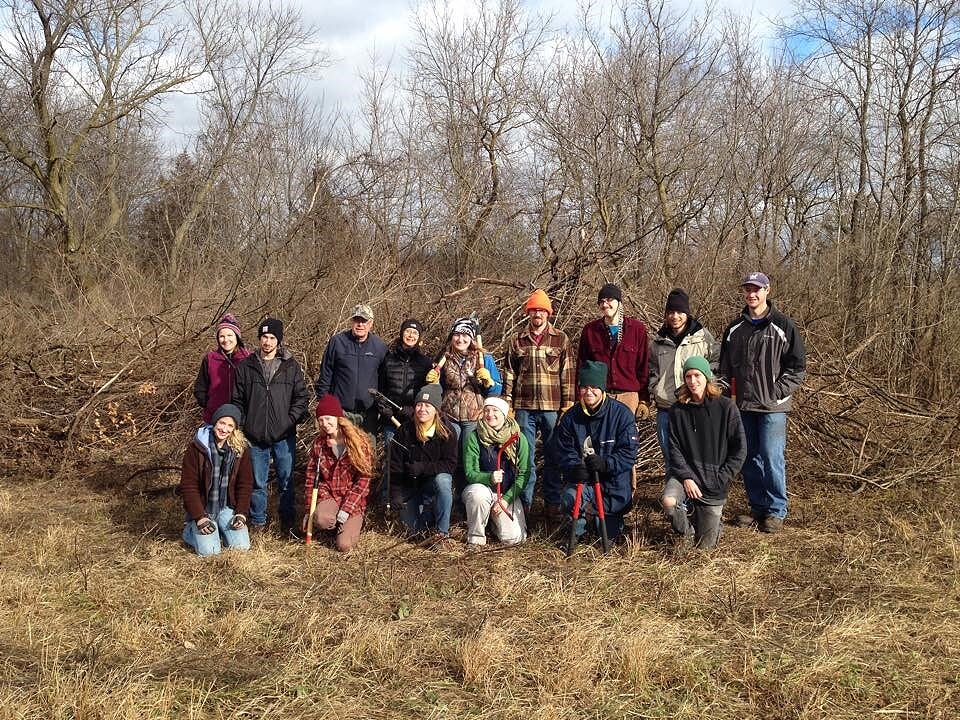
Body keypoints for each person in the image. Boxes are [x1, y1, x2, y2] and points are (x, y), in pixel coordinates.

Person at [719, 272, 806, 533]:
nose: (751, 294)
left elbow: (798, 368)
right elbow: (724, 371)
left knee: (771, 457)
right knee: (748, 458)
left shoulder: (783, 325)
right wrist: (726, 398)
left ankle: (777, 510)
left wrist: (776, 393)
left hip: (772, 408)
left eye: (756, 289)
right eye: (747, 290)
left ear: (767, 290)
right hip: (742, 407)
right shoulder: (735, 329)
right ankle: (757, 508)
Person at [231, 318, 311, 535]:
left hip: (284, 435)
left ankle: (288, 523)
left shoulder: (290, 365)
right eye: (264, 337)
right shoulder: (246, 366)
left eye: (272, 337)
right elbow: (237, 399)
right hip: (255, 436)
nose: (267, 341)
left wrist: (288, 421)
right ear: (259, 338)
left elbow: (301, 398)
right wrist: (246, 424)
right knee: (258, 482)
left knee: (286, 480)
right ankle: (258, 523)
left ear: (279, 340)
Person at [662, 356, 746, 549]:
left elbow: (740, 450)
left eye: (697, 375)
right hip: (686, 477)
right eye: (688, 376)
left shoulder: (726, 408)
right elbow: (673, 448)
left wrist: (721, 477)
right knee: (669, 501)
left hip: (713, 481)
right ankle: (686, 532)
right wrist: (686, 477)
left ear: (707, 377)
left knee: (705, 548)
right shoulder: (677, 410)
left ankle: (712, 525)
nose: (692, 381)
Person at [550, 361, 639, 543]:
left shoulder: (622, 415)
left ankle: (602, 521)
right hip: (584, 480)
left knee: (606, 537)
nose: (589, 392)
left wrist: (607, 464)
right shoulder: (570, 417)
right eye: (584, 387)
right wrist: (575, 468)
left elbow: (629, 454)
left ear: (602, 388)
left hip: (613, 482)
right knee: (569, 498)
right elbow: (563, 450)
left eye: (594, 387)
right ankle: (578, 527)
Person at [503, 289, 575, 512]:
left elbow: (568, 373)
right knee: (525, 459)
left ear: (548, 314)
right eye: (534, 310)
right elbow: (509, 373)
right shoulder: (517, 340)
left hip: (552, 408)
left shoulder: (561, 339)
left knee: (554, 456)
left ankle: (552, 504)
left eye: (542, 310)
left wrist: (568, 404)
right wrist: (507, 403)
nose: (538, 314)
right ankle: (525, 504)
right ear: (528, 313)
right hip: (524, 408)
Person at [648, 289, 719, 478]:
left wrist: (707, 385)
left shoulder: (703, 337)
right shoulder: (658, 342)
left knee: (695, 453)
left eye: (679, 312)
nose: (675, 317)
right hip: (666, 407)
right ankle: (674, 496)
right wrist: (655, 388)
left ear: (687, 313)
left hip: (695, 407)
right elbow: (652, 368)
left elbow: (717, 362)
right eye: (671, 312)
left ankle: (695, 495)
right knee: (669, 454)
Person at [388, 384, 459, 545]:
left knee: (443, 481)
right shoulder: (404, 431)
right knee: (415, 533)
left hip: (432, 484)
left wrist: (423, 468)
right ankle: (427, 515)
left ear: (436, 410)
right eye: (419, 405)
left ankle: (442, 533)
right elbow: (395, 466)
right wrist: (395, 494)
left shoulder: (447, 431)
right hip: (410, 486)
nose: (422, 409)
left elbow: (450, 465)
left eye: (428, 406)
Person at [180, 403, 253, 556]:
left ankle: (218, 531)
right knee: (210, 552)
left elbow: (245, 485)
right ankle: (189, 530)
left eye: (230, 425)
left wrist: (241, 513)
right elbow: (189, 486)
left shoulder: (240, 450)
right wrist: (199, 517)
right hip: (204, 507)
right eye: (222, 423)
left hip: (226, 507)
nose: (224, 429)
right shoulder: (196, 448)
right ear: (215, 422)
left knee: (241, 547)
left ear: (234, 429)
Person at [303, 394, 373, 552]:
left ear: (338, 417)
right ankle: (332, 523)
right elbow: (310, 478)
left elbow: (363, 481)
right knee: (321, 520)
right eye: (321, 420)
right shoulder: (319, 444)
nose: (325, 424)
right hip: (329, 495)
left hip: (353, 501)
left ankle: (348, 525)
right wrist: (309, 510)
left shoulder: (359, 443)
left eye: (328, 418)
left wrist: (347, 509)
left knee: (344, 545)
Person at [426, 315, 503, 455]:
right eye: (457, 334)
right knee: (450, 453)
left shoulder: (484, 358)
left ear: (471, 338)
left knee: (470, 454)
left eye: (465, 335)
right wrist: (433, 382)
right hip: (449, 416)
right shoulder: (444, 358)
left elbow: (497, 390)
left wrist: (489, 382)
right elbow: (438, 390)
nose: (460, 339)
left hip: (474, 416)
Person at [462, 396, 531, 547]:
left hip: (506, 493)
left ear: (504, 414)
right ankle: (475, 538)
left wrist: (506, 499)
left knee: (514, 539)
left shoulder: (518, 438)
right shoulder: (475, 437)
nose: (490, 414)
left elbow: (524, 473)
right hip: (483, 488)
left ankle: (492, 524)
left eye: (495, 410)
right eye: (486, 410)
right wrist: (489, 477)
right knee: (477, 495)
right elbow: (469, 472)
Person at [314, 303, 388, 443]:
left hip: (368, 415)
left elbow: (384, 381)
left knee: (366, 457)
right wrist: (324, 405)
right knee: (339, 454)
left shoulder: (380, 347)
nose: (360, 324)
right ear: (351, 321)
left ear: (371, 323)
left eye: (364, 321)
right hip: (341, 412)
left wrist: (380, 407)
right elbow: (325, 376)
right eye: (357, 320)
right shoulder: (337, 342)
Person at [577, 283, 652, 420]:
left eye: (609, 300)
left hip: (629, 397)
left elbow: (643, 368)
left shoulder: (637, 330)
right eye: (601, 302)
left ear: (619, 302)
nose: (605, 305)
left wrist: (643, 400)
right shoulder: (590, 331)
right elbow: (582, 367)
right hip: (599, 396)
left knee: (626, 439)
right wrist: (579, 397)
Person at [377, 318, 432, 444]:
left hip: (415, 420)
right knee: (392, 457)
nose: (411, 335)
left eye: (415, 333)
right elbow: (380, 388)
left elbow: (428, 391)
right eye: (408, 331)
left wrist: (414, 409)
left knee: (412, 458)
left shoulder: (425, 362)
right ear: (402, 333)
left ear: (419, 337)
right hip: (391, 420)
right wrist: (384, 409)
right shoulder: (388, 360)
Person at [193, 314, 251, 424]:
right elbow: (200, 388)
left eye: (230, 335)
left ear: (237, 337)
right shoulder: (210, 358)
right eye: (222, 336)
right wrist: (210, 405)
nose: (226, 340)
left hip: (241, 420)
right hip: (214, 419)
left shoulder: (248, 359)